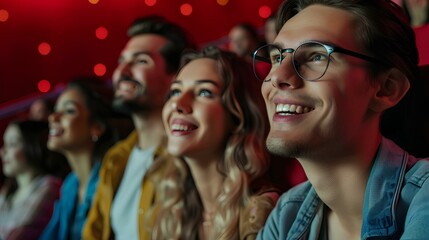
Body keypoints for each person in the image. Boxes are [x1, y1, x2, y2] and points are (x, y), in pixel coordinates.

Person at [254, 0, 429, 239]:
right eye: (276, 57)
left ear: (386, 89)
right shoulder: (287, 215)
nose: (277, 76)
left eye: (316, 56)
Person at [82, 16, 194, 240]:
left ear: (177, 77)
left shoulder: (190, 156)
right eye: (122, 60)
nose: (122, 71)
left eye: (141, 61)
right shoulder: (115, 158)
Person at [152, 46, 279, 240]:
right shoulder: (172, 206)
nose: (178, 104)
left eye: (204, 92)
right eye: (175, 92)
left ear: (237, 117)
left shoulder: (262, 213)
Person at [39, 79, 116, 240]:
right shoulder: (70, 185)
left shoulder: (111, 180)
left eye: (68, 111)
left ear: (97, 127)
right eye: (55, 110)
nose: (53, 117)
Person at [0, 120, 61, 239]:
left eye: (12, 144)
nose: (3, 152)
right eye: (4, 144)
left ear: (32, 146)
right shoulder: (7, 191)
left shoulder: (49, 186)